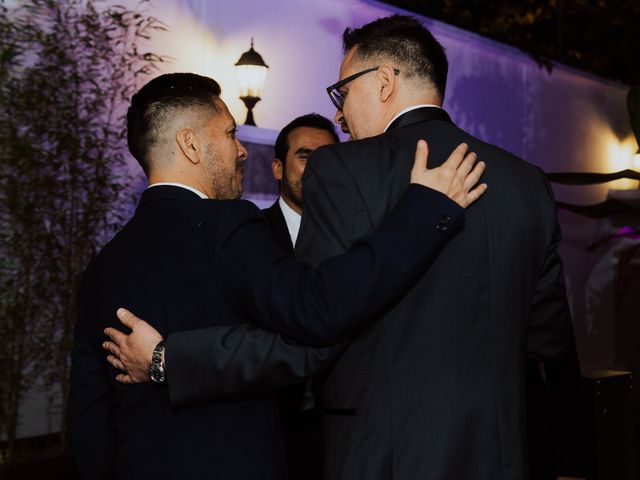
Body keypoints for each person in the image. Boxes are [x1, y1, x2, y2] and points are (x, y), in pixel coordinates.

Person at [104, 15, 581, 479]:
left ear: (386, 81)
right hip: (500, 456)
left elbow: (309, 338)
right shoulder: (527, 184)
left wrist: (169, 360)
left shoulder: (342, 169)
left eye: (343, 92)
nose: (338, 112)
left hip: (385, 457)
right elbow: (548, 338)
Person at [68, 71, 486, 479]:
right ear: (190, 144)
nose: (243, 151)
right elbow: (318, 308)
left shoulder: (101, 267)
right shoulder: (228, 227)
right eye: (230, 133)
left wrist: (164, 361)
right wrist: (422, 213)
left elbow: (89, 421)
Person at [264, 113, 339, 480]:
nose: (318, 168)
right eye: (306, 156)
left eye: (328, 158)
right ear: (278, 168)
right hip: (271, 429)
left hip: (343, 431)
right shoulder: (251, 238)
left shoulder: (360, 241)